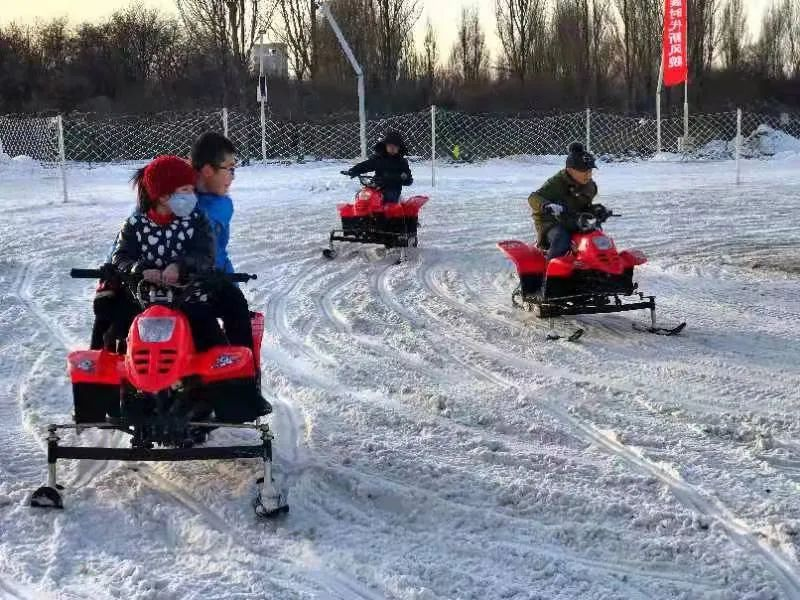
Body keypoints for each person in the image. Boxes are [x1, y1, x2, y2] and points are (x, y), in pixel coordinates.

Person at [110, 155, 224, 352]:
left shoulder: (197, 220)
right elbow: (120, 257)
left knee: (214, 345)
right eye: (185, 190)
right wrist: (141, 269)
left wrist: (180, 267)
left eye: (192, 190)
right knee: (114, 340)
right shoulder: (135, 225)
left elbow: (205, 254)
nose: (192, 196)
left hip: (190, 298)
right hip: (141, 300)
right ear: (163, 196)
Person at [190, 131, 255, 353]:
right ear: (208, 170)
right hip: (164, 287)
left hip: (204, 283)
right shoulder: (172, 193)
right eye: (230, 169)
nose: (233, 177)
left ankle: (245, 375)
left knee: (236, 312)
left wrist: (230, 285)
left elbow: (216, 253)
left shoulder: (221, 206)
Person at [528, 142, 604, 260]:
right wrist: (547, 205)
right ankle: (550, 270)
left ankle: (599, 264)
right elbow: (533, 198)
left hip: (572, 219)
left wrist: (596, 210)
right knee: (562, 237)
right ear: (570, 170)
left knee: (596, 235)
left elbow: (584, 206)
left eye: (590, 171)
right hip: (550, 222)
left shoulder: (590, 186)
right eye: (584, 171)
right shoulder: (556, 183)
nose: (588, 175)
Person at [341, 130, 413, 204]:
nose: (392, 148)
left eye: (395, 146)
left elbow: (409, 180)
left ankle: (387, 214)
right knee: (362, 195)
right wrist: (354, 170)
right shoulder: (379, 158)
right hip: (376, 185)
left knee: (389, 197)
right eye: (389, 145)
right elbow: (366, 165)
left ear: (399, 148)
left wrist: (403, 178)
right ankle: (359, 211)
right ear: (385, 146)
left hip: (392, 188)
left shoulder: (402, 162)